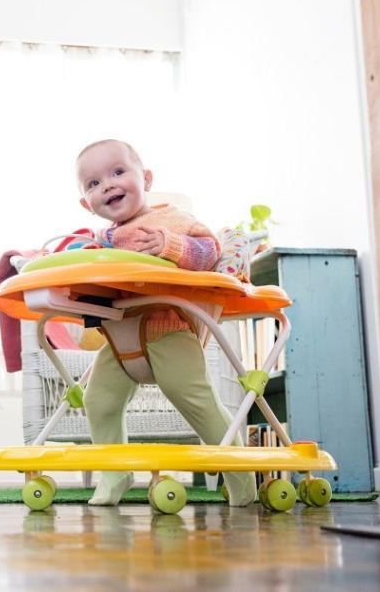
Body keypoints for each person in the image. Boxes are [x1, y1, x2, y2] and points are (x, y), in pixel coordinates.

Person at [75, 138, 256, 507]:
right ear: (86, 204)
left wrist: (170, 245)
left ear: (147, 179)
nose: (107, 184)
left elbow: (209, 252)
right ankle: (115, 474)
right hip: (119, 337)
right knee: (99, 401)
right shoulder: (98, 241)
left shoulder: (170, 219)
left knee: (197, 401)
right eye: (93, 183)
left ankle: (242, 480)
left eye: (118, 172)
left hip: (167, 329)